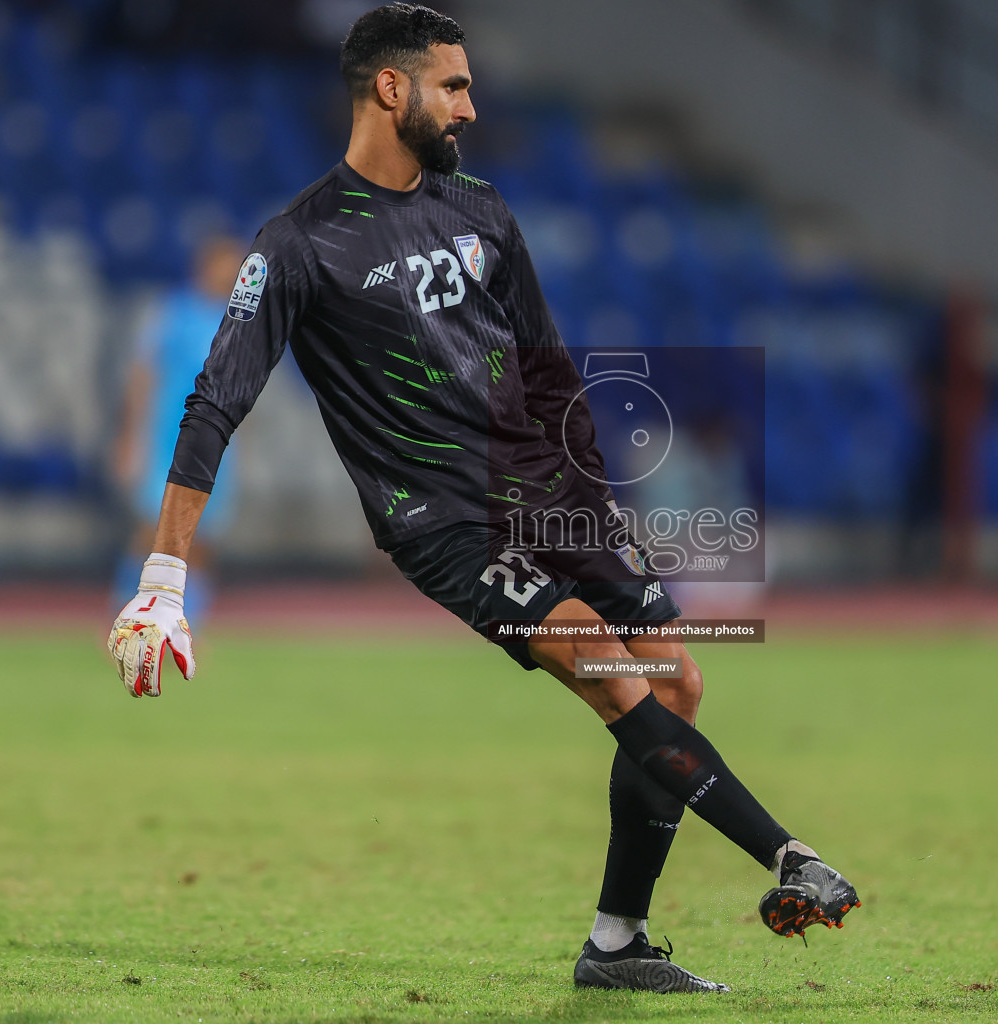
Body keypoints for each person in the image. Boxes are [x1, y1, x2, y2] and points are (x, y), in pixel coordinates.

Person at [105, 3, 858, 994]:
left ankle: (618, 943)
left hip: (549, 492)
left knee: (676, 680)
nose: (470, 104)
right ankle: (787, 854)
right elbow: (214, 402)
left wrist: (593, 505)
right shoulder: (299, 244)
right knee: (609, 672)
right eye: (453, 85)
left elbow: (546, 367)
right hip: (446, 525)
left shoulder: (483, 211)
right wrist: (164, 574)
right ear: (391, 89)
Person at [111, 235, 248, 621]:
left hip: (217, 447)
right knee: (153, 535)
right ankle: (126, 620)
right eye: (227, 263)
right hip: (168, 441)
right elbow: (144, 377)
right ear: (206, 266)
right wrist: (129, 438)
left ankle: (184, 626)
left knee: (202, 541)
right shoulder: (173, 314)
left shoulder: (236, 323)